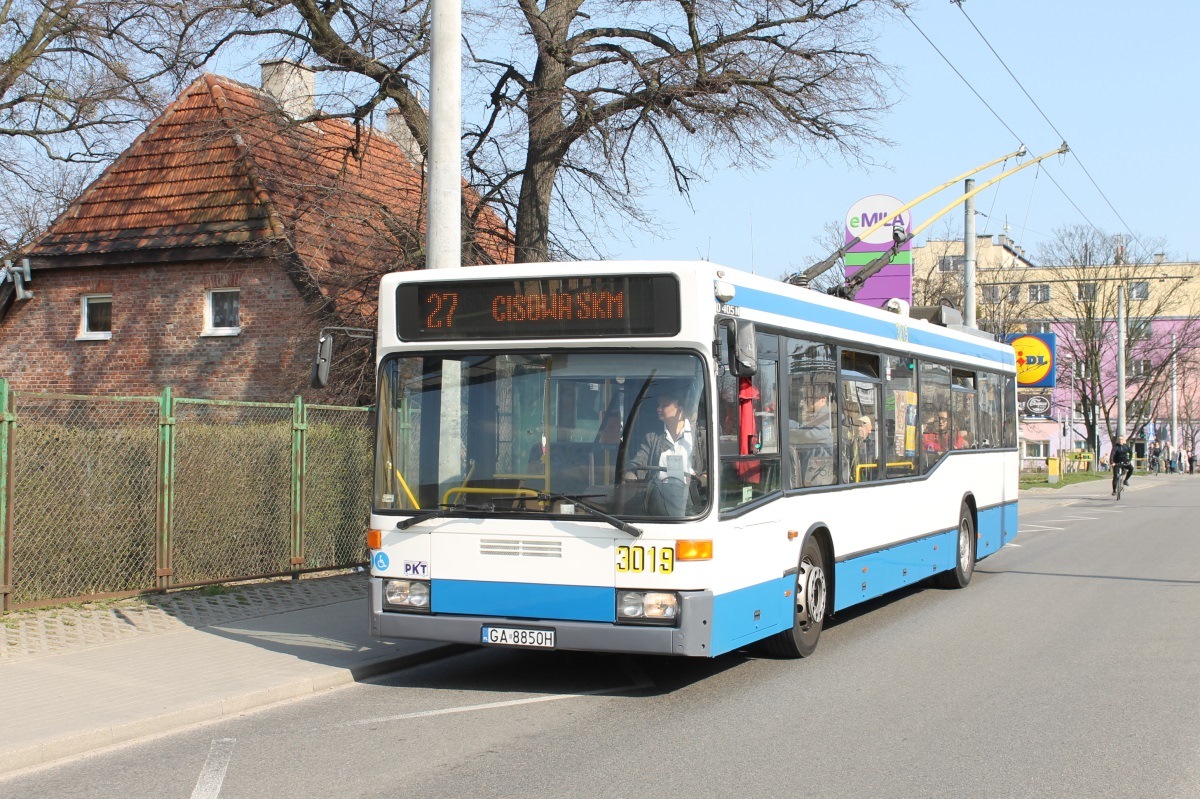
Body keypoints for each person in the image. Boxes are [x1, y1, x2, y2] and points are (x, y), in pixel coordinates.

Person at [625, 388, 708, 514]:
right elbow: (637, 464)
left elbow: (715, 469)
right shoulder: (653, 438)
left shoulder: (700, 436)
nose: (659, 408)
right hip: (658, 502)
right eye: (659, 405)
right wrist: (630, 475)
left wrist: (701, 480)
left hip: (692, 504)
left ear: (680, 409)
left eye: (664, 405)